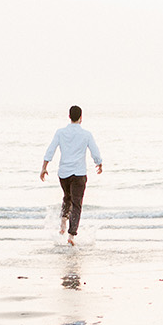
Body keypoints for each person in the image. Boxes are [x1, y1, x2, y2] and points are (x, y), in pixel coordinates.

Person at [40, 105, 103, 245]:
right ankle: (71, 236)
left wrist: (44, 167)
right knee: (77, 204)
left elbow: (51, 149)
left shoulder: (60, 132)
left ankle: (63, 221)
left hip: (63, 173)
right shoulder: (86, 134)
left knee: (67, 197)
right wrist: (99, 163)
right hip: (79, 174)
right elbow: (95, 152)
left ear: (69, 117)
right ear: (81, 117)